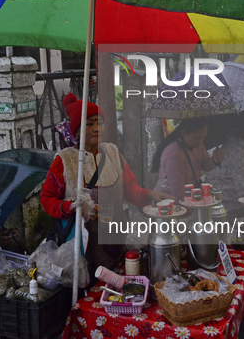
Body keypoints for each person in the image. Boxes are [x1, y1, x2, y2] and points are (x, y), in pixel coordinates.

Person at [40, 93, 173, 279]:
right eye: (89, 124)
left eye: (100, 123)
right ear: (77, 131)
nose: (97, 128)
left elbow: (130, 189)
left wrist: (151, 195)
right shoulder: (65, 161)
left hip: (114, 241)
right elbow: (47, 200)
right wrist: (73, 207)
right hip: (82, 248)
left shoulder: (113, 153)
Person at [151, 118, 225, 201]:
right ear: (184, 133)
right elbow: (178, 193)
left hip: (187, 196)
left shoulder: (197, 145)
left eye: (203, 137)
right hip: (168, 201)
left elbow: (204, 164)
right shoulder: (174, 154)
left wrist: (215, 160)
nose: (201, 142)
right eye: (197, 138)